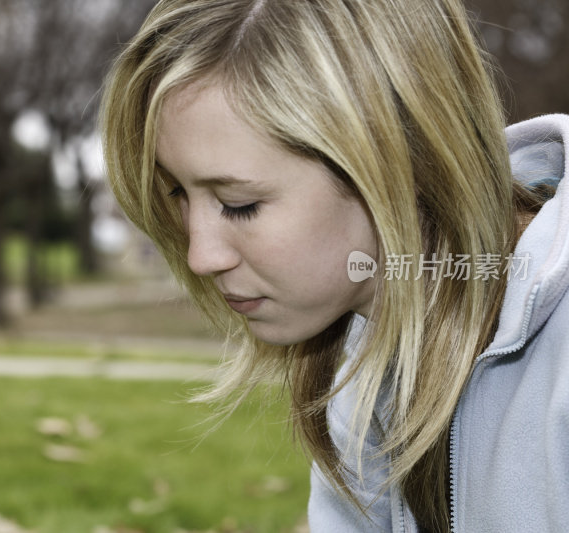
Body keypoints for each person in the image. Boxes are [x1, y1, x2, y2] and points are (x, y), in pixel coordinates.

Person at [99, 0, 569, 531]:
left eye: (238, 204)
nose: (200, 256)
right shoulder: (361, 357)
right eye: (178, 193)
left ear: (402, 158)